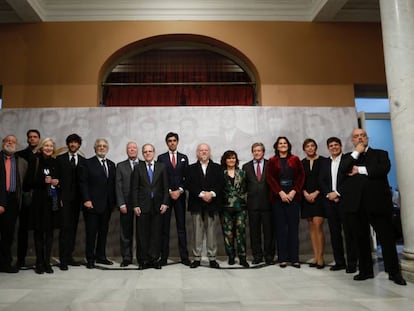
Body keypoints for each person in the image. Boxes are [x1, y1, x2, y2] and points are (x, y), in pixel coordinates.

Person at [338, 128, 406, 285]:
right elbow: (343, 170)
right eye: (356, 136)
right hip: (357, 205)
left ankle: (394, 272)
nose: (360, 138)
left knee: (387, 239)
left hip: (378, 203)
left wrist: (359, 169)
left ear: (367, 138)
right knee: (361, 239)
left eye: (362, 135)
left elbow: (382, 169)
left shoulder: (380, 154)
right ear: (352, 140)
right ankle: (366, 271)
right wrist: (356, 153)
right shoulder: (348, 157)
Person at [319, 137, 357, 273]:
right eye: (331, 145)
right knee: (335, 234)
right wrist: (329, 194)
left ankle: (352, 263)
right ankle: (339, 262)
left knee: (349, 233)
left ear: (340, 146)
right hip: (330, 202)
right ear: (328, 148)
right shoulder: (325, 162)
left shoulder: (347, 159)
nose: (334, 147)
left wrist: (338, 193)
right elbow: (321, 180)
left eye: (336, 145)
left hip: (345, 201)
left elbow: (350, 179)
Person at [266, 136, 305, 268]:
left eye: (285, 143)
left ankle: (294, 258)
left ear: (288, 145)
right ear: (277, 146)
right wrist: (280, 192)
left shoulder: (295, 159)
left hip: (293, 197)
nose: (283, 145)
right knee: (280, 229)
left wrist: (294, 191)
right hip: (278, 198)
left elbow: (301, 176)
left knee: (293, 229)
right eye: (280, 143)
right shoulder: (272, 161)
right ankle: (282, 258)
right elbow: (269, 178)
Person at [24, 138, 60, 274]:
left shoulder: (55, 162)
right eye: (46, 145)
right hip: (38, 202)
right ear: (41, 147)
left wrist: (56, 182)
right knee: (39, 232)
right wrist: (42, 181)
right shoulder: (35, 160)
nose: (48, 148)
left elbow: (58, 180)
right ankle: (39, 262)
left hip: (52, 201)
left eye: (51, 146)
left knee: (50, 233)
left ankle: (47, 262)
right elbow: (27, 183)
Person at [130, 144, 169, 270]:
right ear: (142, 154)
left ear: (154, 152)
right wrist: (135, 205)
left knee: (156, 234)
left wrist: (165, 203)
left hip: (158, 206)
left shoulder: (161, 166)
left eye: (150, 151)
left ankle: (154, 259)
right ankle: (143, 260)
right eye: (145, 152)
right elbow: (134, 188)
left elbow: (165, 187)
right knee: (142, 235)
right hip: (142, 206)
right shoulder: (138, 168)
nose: (147, 153)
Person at [185, 143, 224, 269]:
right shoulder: (190, 168)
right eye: (201, 150)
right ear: (197, 153)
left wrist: (211, 194)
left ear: (209, 152)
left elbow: (221, 184)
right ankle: (197, 258)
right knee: (197, 232)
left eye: (206, 150)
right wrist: (201, 194)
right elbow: (189, 184)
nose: (203, 152)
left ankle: (212, 258)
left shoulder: (218, 168)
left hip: (212, 204)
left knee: (211, 232)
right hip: (197, 204)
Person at [79, 138, 116, 269]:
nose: (102, 148)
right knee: (91, 233)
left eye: (104, 146)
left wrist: (114, 203)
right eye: (99, 146)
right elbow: (83, 183)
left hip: (107, 206)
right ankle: (90, 258)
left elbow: (112, 185)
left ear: (107, 148)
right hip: (92, 205)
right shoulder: (88, 163)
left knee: (103, 232)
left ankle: (101, 256)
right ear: (95, 149)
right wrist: (86, 200)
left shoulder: (111, 164)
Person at [157, 132, 190, 266]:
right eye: (169, 141)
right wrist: (170, 191)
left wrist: (180, 190)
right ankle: (163, 257)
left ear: (177, 142)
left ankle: (184, 257)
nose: (172, 143)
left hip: (180, 197)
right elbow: (159, 178)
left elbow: (187, 177)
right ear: (167, 143)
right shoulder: (161, 158)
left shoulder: (184, 157)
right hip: (166, 197)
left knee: (181, 228)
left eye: (174, 140)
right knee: (165, 228)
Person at [55, 133, 85, 270]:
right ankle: (63, 260)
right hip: (64, 200)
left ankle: (70, 256)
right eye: (71, 142)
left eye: (75, 142)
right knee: (64, 229)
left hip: (77, 201)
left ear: (79, 145)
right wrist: (59, 198)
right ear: (68, 144)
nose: (73, 145)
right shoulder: (60, 159)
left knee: (73, 229)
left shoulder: (83, 160)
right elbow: (55, 181)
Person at [242, 142, 274, 265]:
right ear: (252, 152)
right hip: (252, 205)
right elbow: (244, 186)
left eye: (259, 150)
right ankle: (257, 256)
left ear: (263, 152)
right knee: (254, 232)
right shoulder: (246, 167)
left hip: (268, 204)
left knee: (268, 232)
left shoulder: (270, 164)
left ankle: (269, 256)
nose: (257, 153)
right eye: (254, 151)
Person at [0, 135, 27, 273]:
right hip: (0, 198)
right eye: (7, 140)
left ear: (16, 145)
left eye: (13, 141)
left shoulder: (21, 162)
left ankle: (5, 263)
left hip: (13, 201)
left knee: (8, 234)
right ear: (3, 143)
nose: (10, 143)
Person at [15, 129, 41, 269]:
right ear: (27, 139)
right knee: (23, 230)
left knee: (39, 230)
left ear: (39, 139)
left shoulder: (43, 154)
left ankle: (40, 260)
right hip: (25, 195)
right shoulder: (20, 155)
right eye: (30, 137)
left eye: (35, 137)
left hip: (40, 197)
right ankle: (20, 260)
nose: (32, 139)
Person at [221, 150, 249, 267]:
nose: (231, 160)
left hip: (240, 207)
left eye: (233, 158)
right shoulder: (221, 174)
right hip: (226, 207)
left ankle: (242, 257)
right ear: (225, 160)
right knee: (228, 234)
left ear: (236, 160)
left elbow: (246, 188)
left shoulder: (242, 173)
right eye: (229, 158)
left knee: (241, 233)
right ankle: (231, 256)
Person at [301, 138, 325, 269]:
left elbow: (326, 178)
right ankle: (316, 256)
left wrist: (316, 192)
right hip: (306, 198)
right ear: (304, 149)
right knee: (311, 228)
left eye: (312, 146)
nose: (310, 148)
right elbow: (300, 180)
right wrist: (304, 193)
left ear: (315, 147)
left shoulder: (323, 161)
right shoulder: (301, 163)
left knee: (318, 225)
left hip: (319, 197)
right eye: (307, 146)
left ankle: (321, 258)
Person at [115, 141, 140, 267]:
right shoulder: (120, 166)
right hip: (126, 204)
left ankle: (141, 257)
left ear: (137, 150)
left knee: (141, 232)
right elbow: (118, 186)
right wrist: (121, 204)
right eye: (129, 148)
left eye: (134, 148)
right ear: (126, 151)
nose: (132, 150)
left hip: (140, 204)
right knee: (126, 232)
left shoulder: (144, 164)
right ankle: (126, 257)